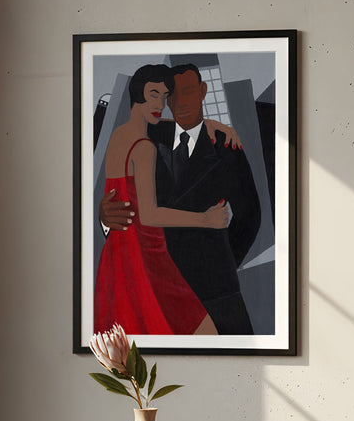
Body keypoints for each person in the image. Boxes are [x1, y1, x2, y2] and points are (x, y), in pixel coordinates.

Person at [101, 62, 261, 335]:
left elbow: (250, 216)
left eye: (187, 92)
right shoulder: (147, 134)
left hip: (213, 290)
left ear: (203, 91)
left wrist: (218, 264)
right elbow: (129, 202)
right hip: (151, 283)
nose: (178, 102)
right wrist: (105, 217)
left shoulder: (224, 145)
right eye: (170, 96)